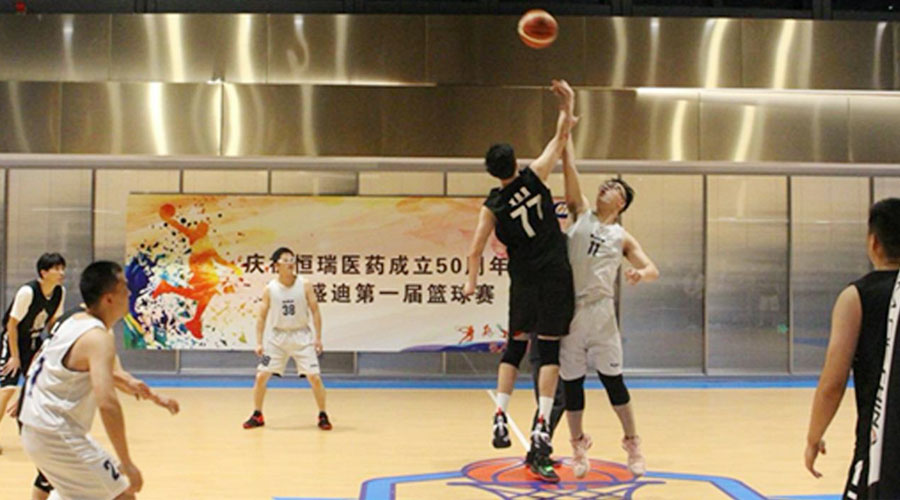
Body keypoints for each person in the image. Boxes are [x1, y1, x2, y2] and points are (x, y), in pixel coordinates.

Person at [466, 79, 576, 483]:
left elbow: (475, 249)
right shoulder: (535, 176)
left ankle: (500, 413)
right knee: (550, 351)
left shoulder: (492, 205)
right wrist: (567, 103)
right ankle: (542, 425)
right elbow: (560, 139)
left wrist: (472, 282)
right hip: (554, 276)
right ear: (515, 162)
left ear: (492, 172)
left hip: (524, 282)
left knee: (514, 347)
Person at [18, 261, 180, 500]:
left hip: (35, 426)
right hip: (55, 432)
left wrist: (151, 395)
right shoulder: (97, 338)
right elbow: (107, 403)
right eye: (124, 287)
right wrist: (127, 462)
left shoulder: (74, 320)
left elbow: (66, 367)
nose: (130, 293)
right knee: (122, 495)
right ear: (109, 298)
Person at [559, 135, 658, 478]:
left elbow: (652, 269)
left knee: (613, 381)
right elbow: (570, 167)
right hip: (571, 310)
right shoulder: (580, 213)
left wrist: (639, 274)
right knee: (572, 384)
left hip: (601, 313)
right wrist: (566, 128)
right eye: (605, 184)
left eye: (614, 187)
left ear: (622, 202)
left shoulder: (621, 237)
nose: (606, 187)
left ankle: (633, 444)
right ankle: (578, 446)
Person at [805, 198, 900, 499]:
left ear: (874, 243)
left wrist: (814, 435)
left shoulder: (857, 297)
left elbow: (833, 382)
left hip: (881, 445)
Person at [243, 247, 331, 431]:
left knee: (314, 377)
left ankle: (323, 414)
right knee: (261, 376)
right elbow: (261, 316)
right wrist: (259, 342)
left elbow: (315, 310)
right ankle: (257, 414)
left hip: (302, 337)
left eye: (292, 259)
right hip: (277, 339)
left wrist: (318, 337)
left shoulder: (305, 284)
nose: (291, 263)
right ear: (277, 265)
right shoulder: (270, 289)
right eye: (286, 260)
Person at [0, 252, 67, 449]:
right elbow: (11, 325)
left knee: (38, 388)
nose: (61, 272)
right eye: (56, 269)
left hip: (34, 343)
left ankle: (30, 431)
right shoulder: (27, 292)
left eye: (62, 268)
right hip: (12, 341)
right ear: (43, 273)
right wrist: (14, 356)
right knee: (7, 389)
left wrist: (55, 345)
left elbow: (52, 322)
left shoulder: (59, 292)